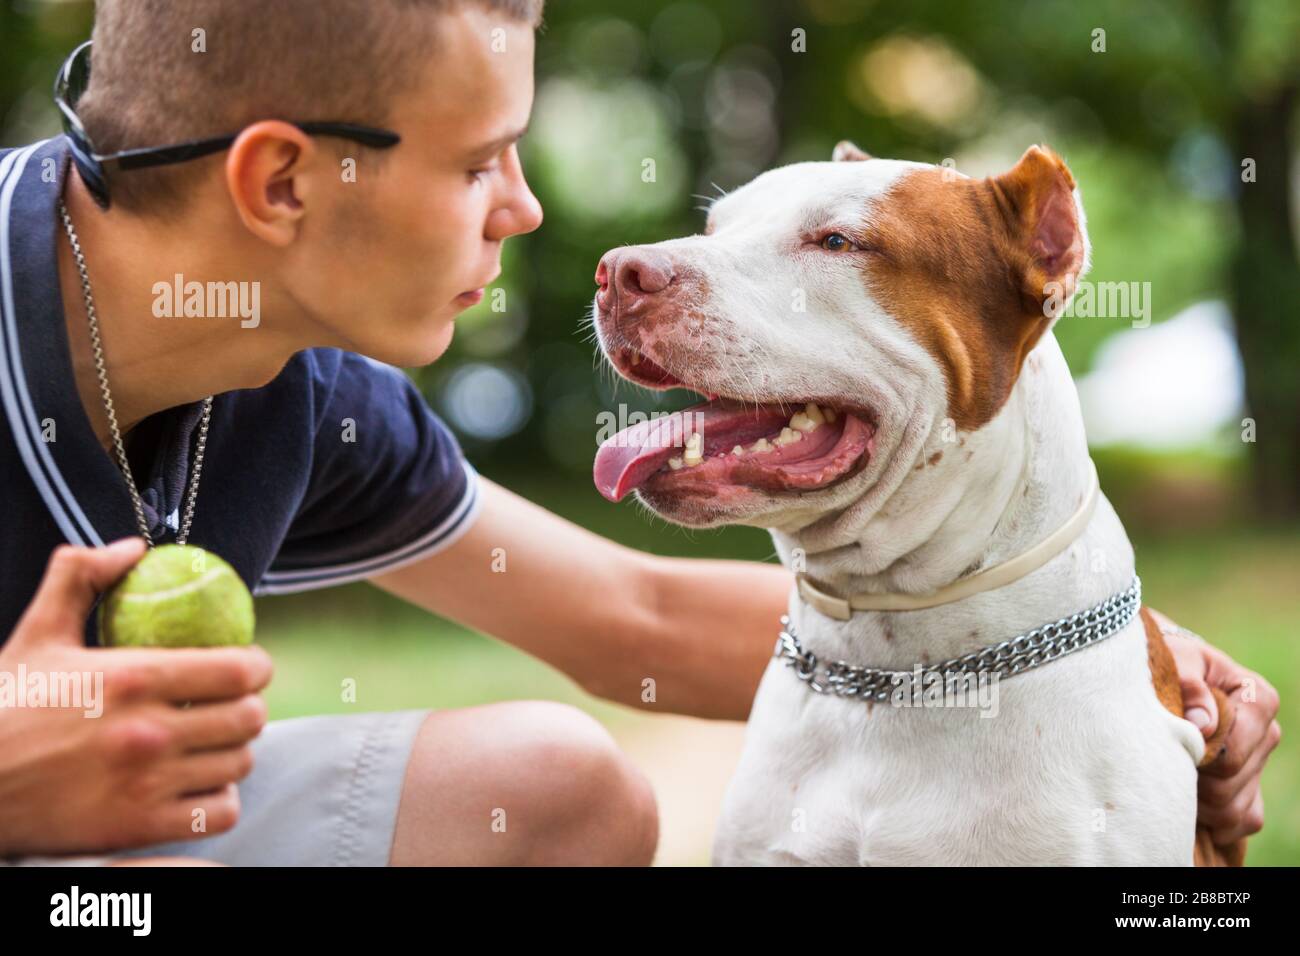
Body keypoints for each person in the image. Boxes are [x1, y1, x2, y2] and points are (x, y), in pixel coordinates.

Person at [0, 0, 1279, 866]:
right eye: (479, 162)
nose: (528, 208)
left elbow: (634, 619)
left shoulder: (301, 391)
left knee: (553, 780)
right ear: (283, 182)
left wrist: (1113, 653)